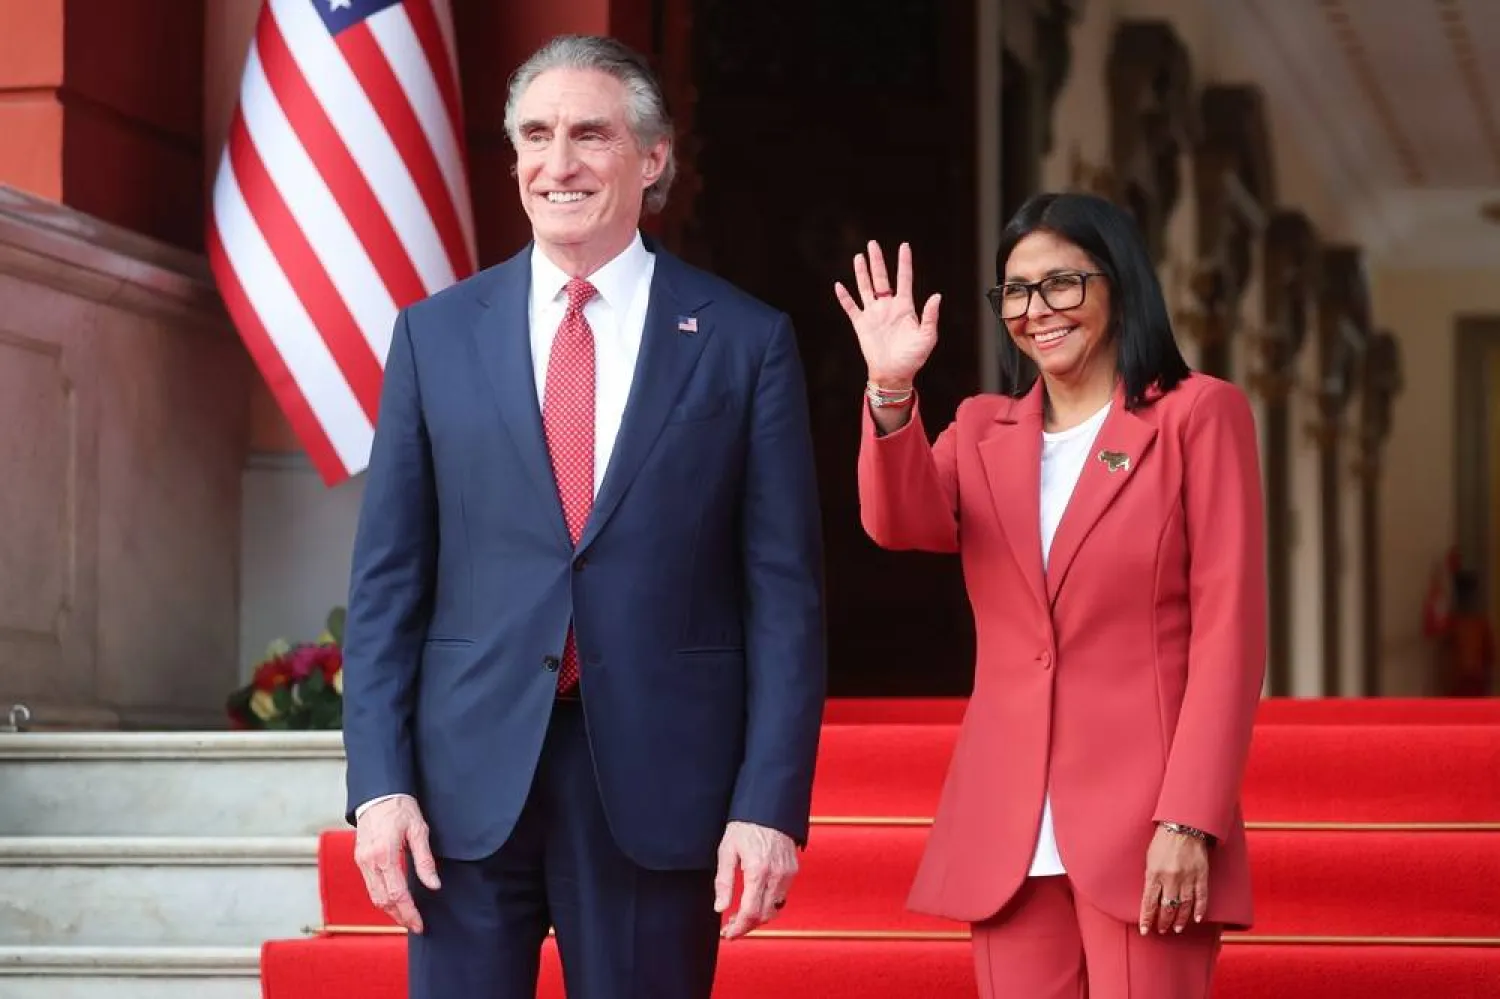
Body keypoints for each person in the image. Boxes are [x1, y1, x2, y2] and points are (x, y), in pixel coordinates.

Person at [340, 34, 826, 999]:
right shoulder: (433, 335)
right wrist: (379, 786)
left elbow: (785, 597)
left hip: (659, 784)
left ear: (653, 160)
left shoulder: (744, 340)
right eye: (535, 135)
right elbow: (388, 582)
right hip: (462, 789)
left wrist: (769, 803)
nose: (557, 164)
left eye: (590, 135)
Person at [837, 191, 1266, 998]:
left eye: (1063, 283)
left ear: (1120, 284)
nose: (1038, 311)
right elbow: (898, 523)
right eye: (1018, 291)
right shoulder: (980, 428)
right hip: (1008, 828)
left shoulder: (1196, 415)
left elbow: (1229, 633)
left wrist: (1190, 820)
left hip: (1144, 824)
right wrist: (890, 389)